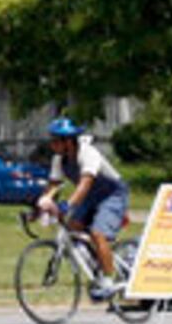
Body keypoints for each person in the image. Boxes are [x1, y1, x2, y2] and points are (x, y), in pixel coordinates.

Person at [38, 118, 129, 299]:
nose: (52, 145)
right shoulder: (59, 160)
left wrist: (67, 205)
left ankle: (108, 280)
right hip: (90, 197)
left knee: (97, 233)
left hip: (111, 195)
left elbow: (84, 185)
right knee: (72, 229)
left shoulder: (88, 154)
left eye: (56, 141)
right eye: (52, 140)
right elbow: (53, 185)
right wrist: (40, 206)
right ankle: (97, 269)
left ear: (69, 142)